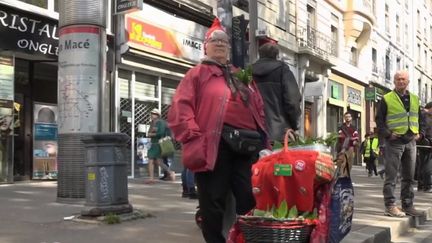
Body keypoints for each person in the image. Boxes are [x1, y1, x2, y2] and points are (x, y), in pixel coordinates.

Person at [167, 18, 268, 243]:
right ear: (206, 46)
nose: (220, 44)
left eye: (224, 41)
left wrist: (265, 139)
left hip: (247, 145)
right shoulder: (197, 74)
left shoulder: (241, 75)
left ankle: (248, 239)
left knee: (249, 198)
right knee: (212, 202)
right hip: (214, 145)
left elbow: (259, 108)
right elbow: (180, 107)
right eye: (215, 41)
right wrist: (193, 135)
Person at [375, 70, 424, 217]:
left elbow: (420, 119)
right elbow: (379, 120)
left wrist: (421, 134)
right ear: (394, 82)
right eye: (398, 79)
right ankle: (390, 206)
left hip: (411, 142)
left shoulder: (415, 99)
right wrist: (388, 134)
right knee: (391, 176)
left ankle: (407, 205)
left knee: (409, 176)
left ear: (408, 81)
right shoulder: (387, 98)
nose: (400, 81)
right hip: (394, 142)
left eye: (403, 79)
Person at [251, 42, 301, 143]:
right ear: (277, 55)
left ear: (259, 55)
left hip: (254, 133)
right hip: (280, 134)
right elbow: (292, 100)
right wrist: (294, 124)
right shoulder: (283, 70)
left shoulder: (249, 72)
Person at [146, 108, 175, 184]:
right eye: (152, 113)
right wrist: (150, 134)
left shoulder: (160, 122)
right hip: (153, 143)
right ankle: (170, 172)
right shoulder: (153, 122)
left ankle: (151, 179)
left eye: (154, 114)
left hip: (158, 144)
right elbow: (150, 132)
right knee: (159, 162)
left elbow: (161, 133)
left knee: (151, 160)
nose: (152, 115)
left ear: (158, 115)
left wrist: (151, 134)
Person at [416, 102, 432, 193]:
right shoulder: (426, 116)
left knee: (422, 165)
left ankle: (421, 185)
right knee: (427, 166)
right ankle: (428, 185)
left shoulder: (422, 115)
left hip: (423, 143)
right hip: (427, 143)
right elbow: (426, 131)